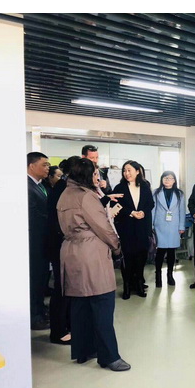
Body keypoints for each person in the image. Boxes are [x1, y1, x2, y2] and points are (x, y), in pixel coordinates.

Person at [57, 158, 130, 371]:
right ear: (87, 175)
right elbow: (104, 228)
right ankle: (109, 357)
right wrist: (117, 248)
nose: (97, 178)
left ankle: (83, 350)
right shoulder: (86, 196)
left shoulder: (65, 194)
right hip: (91, 255)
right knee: (102, 304)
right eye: (95, 174)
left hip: (70, 252)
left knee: (80, 306)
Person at [47, 156, 81, 345]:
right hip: (60, 243)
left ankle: (66, 325)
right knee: (62, 287)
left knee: (68, 287)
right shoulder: (63, 189)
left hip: (64, 243)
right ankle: (58, 331)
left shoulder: (66, 187)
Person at [112, 161, 155, 299]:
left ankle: (139, 285)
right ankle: (127, 286)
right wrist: (131, 212)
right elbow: (114, 205)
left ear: (137, 172)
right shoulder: (119, 187)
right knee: (128, 259)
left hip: (142, 228)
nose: (126, 173)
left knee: (140, 258)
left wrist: (143, 211)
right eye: (124, 170)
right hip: (126, 228)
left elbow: (150, 203)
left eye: (129, 170)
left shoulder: (145, 186)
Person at [27, 152, 51, 331]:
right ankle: (34, 316)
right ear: (31, 166)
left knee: (42, 278)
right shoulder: (26, 187)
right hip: (34, 243)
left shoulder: (40, 185)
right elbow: (34, 217)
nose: (47, 168)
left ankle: (40, 309)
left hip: (43, 241)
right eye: (44, 165)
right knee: (35, 279)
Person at [152, 171, 186, 287]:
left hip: (173, 226)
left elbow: (182, 211)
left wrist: (181, 226)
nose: (167, 180)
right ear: (162, 179)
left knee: (171, 251)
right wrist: (151, 225)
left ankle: (170, 275)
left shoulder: (179, 194)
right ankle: (158, 276)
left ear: (174, 180)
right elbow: (153, 210)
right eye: (165, 178)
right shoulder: (156, 192)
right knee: (160, 252)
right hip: (160, 225)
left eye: (170, 178)